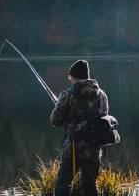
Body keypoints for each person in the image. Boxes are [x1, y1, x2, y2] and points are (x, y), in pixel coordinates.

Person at [50, 59, 109, 196]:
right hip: (94, 147)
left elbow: (56, 120)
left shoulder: (67, 95)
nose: (69, 79)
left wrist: (60, 108)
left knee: (63, 183)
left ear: (74, 76)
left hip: (73, 147)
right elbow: (102, 117)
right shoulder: (102, 95)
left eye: (70, 76)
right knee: (90, 184)